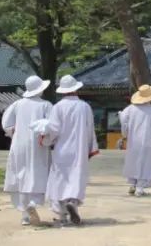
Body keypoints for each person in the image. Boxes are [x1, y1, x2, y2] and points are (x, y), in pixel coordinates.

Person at [44, 75, 100, 226]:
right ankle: (72, 202)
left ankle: (61, 214)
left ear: (62, 91)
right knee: (76, 177)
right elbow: (89, 130)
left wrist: (46, 140)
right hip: (79, 149)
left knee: (59, 179)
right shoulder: (85, 107)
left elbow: (53, 129)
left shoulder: (57, 107)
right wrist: (90, 147)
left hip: (62, 149)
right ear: (76, 89)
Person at [1, 75, 53, 226]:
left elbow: (6, 124)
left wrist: (15, 130)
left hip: (19, 144)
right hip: (38, 145)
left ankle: (24, 214)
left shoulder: (17, 104)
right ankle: (34, 202)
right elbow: (53, 125)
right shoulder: (46, 105)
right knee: (38, 173)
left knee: (20, 175)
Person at [120, 84, 151, 197]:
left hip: (133, 141)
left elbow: (123, 123)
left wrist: (125, 134)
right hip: (148, 141)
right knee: (146, 163)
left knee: (134, 161)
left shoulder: (129, 109)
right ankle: (140, 187)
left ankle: (132, 184)